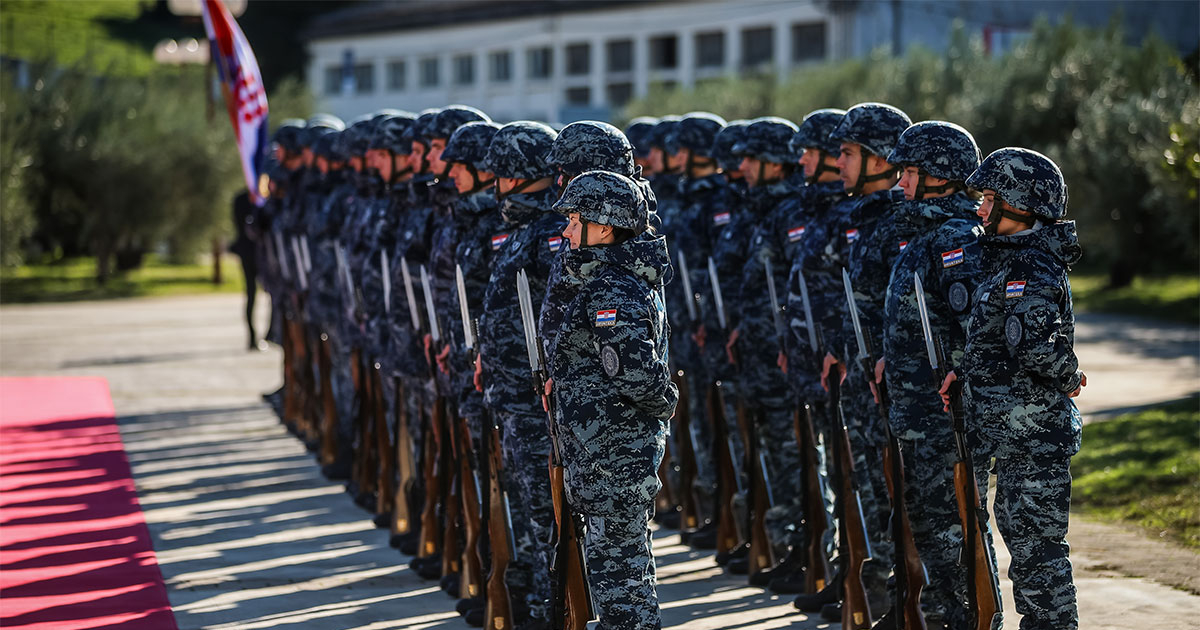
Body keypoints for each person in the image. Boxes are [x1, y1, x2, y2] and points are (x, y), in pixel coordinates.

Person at [942, 147, 1085, 630]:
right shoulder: (1008, 260)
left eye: (988, 198)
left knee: (1038, 559)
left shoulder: (1031, 266)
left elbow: (1035, 347)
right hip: (1013, 436)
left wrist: (1071, 376)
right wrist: (964, 378)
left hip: (1033, 437)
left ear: (1019, 204)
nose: (979, 209)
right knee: (1025, 551)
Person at [549, 170, 678, 630]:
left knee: (621, 586)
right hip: (606, 454)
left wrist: (664, 402)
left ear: (604, 227)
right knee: (623, 576)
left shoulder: (612, 289)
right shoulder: (612, 279)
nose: (566, 230)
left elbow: (637, 373)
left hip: (613, 459)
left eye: (574, 219)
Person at [878, 120, 994, 630]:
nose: (900, 181)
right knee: (930, 528)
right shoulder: (923, 237)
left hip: (945, 420)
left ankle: (972, 619)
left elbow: (977, 329)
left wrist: (960, 371)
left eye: (908, 171)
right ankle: (952, 617)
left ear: (940, 175)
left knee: (957, 531)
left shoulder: (956, 240)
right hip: (916, 415)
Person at [231, 189, 261, 350]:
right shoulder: (241, 199)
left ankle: (271, 333)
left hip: (264, 253)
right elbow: (239, 223)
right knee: (251, 294)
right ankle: (252, 337)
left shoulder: (264, 197)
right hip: (248, 253)